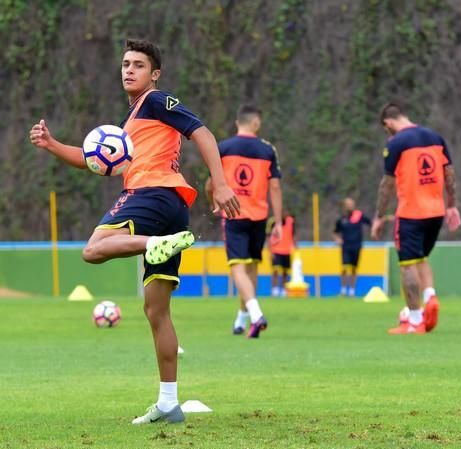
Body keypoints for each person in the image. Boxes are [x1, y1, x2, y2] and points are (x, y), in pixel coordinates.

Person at [29, 39, 240, 424]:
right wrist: (53, 144)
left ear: (154, 74)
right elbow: (94, 161)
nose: (129, 70)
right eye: (125, 63)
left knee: (93, 249)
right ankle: (168, 403)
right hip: (174, 207)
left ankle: (153, 243)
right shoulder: (131, 122)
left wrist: (221, 183)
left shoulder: (157, 101)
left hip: (153, 194)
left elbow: (204, 134)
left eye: (138, 65)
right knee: (156, 310)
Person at [371, 103, 461, 334]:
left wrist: (379, 216)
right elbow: (449, 174)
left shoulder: (396, 143)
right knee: (420, 258)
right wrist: (451, 206)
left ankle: (414, 320)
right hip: (436, 212)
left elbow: (387, 184)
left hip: (411, 213)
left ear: (388, 123)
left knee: (407, 265)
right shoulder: (435, 137)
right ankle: (430, 297)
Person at [206, 104, 283, 337]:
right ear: (256, 123)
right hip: (259, 217)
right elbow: (276, 186)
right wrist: (278, 222)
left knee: (237, 269)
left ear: (237, 122)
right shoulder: (268, 150)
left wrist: (213, 202)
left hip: (233, 214)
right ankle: (242, 319)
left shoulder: (223, 148)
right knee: (251, 268)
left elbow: (211, 183)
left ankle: (256, 314)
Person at [333, 198, 371, 296]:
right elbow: (335, 232)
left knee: (354, 268)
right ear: (344, 206)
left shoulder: (359, 215)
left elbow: (370, 223)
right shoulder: (341, 219)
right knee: (344, 267)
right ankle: (343, 289)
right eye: (348, 204)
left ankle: (352, 290)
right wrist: (337, 239)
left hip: (357, 246)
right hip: (345, 246)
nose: (350, 206)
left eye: (351, 204)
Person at [268, 211, 296, 297]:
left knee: (285, 272)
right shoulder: (272, 221)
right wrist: (270, 251)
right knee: (275, 271)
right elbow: (268, 236)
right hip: (276, 250)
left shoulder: (290, 221)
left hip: (287, 250)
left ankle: (284, 290)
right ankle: (274, 290)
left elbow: (293, 234)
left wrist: (294, 245)